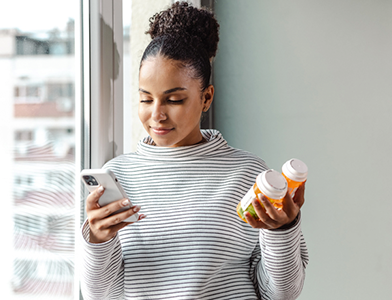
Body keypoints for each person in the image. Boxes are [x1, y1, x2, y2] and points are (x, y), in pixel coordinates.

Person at [80, 2, 309, 299]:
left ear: (206, 98)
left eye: (174, 100)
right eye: (146, 99)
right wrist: (97, 241)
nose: (157, 115)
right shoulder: (117, 176)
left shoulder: (248, 175)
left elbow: (281, 294)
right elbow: (103, 296)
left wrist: (282, 230)